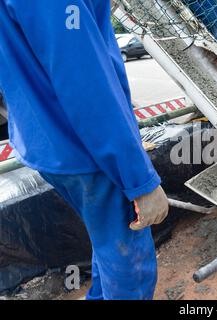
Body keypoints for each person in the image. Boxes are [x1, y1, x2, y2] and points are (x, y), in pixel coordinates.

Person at [0, 0, 169, 300]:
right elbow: (86, 86)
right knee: (131, 271)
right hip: (85, 150)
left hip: (48, 142)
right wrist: (139, 181)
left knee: (106, 240)